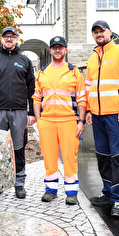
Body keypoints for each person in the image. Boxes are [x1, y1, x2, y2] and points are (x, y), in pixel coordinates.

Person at [85, 20, 119, 218]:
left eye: (102, 31)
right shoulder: (92, 58)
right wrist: (89, 110)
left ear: (110, 32)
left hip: (116, 115)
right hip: (98, 116)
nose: (99, 34)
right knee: (103, 156)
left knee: (118, 157)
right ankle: (107, 193)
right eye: (95, 32)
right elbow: (89, 87)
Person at [0, 26, 36, 199]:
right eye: (6, 37)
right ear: (1, 39)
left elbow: (31, 88)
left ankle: (19, 183)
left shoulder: (24, 60)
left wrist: (31, 111)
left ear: (16, 39)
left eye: (12, 37)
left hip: (19, 111)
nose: (9, 39)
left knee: (18, 148)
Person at [32, 36, 86, 205]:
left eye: (60, 47)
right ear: (50, 50)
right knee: (49, 156)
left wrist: (81, 121)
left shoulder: (73, 71)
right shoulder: (42, 72)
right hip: (47, 121)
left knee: (70, 157)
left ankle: (71, 192)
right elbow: (36, 98)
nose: (57, 50)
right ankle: (51, 190)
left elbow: (82, 98)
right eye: (54, 47)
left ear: (65, 50)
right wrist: (39, 120)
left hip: (68, 121)